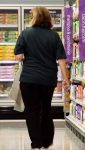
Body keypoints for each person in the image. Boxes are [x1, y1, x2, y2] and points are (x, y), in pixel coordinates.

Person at [14, 6, 69, 150]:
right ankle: (47, 142)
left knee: (32, 111)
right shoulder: (54, 36)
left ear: (35, 17)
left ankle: (36, 144)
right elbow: (61, 59)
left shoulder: (25, 33)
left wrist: (25, 55)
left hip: (29, 80)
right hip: (48, 79)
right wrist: (66, 79)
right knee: (46, 109)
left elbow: (18, 56)